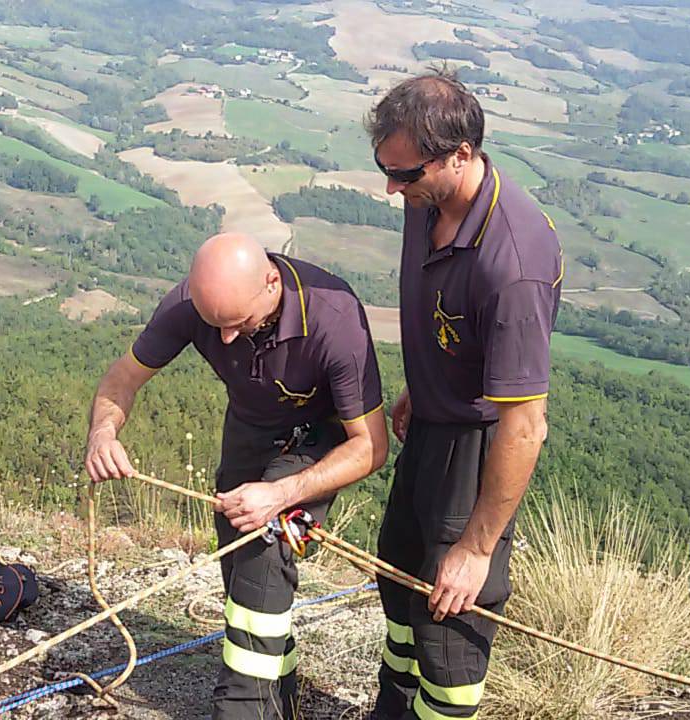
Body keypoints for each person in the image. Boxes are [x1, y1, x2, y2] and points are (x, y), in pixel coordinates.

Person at [84, 233, 389, 720]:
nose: (226, 339)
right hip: (250, 427)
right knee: (236, 551)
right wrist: (103, 433)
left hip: (319, 435)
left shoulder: (333, 317)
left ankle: (242, 708)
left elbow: (371, 445)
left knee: (263, 541)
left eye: (238, 323)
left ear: (272, 282)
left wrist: (284, 492)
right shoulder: (194, 302)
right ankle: (279, 694)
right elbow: (123, 377)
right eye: (214, 326)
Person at [365, 71, 563, 720]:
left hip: (476, 449)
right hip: (429, 423)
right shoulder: (429, 200)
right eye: (385, 169)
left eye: (406, 174)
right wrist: (422, 385)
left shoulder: (513, 262)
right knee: (398, 580)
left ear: (461, 155)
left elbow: (525, 426)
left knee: (447, 622)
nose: (393, 188)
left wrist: (477, 550)